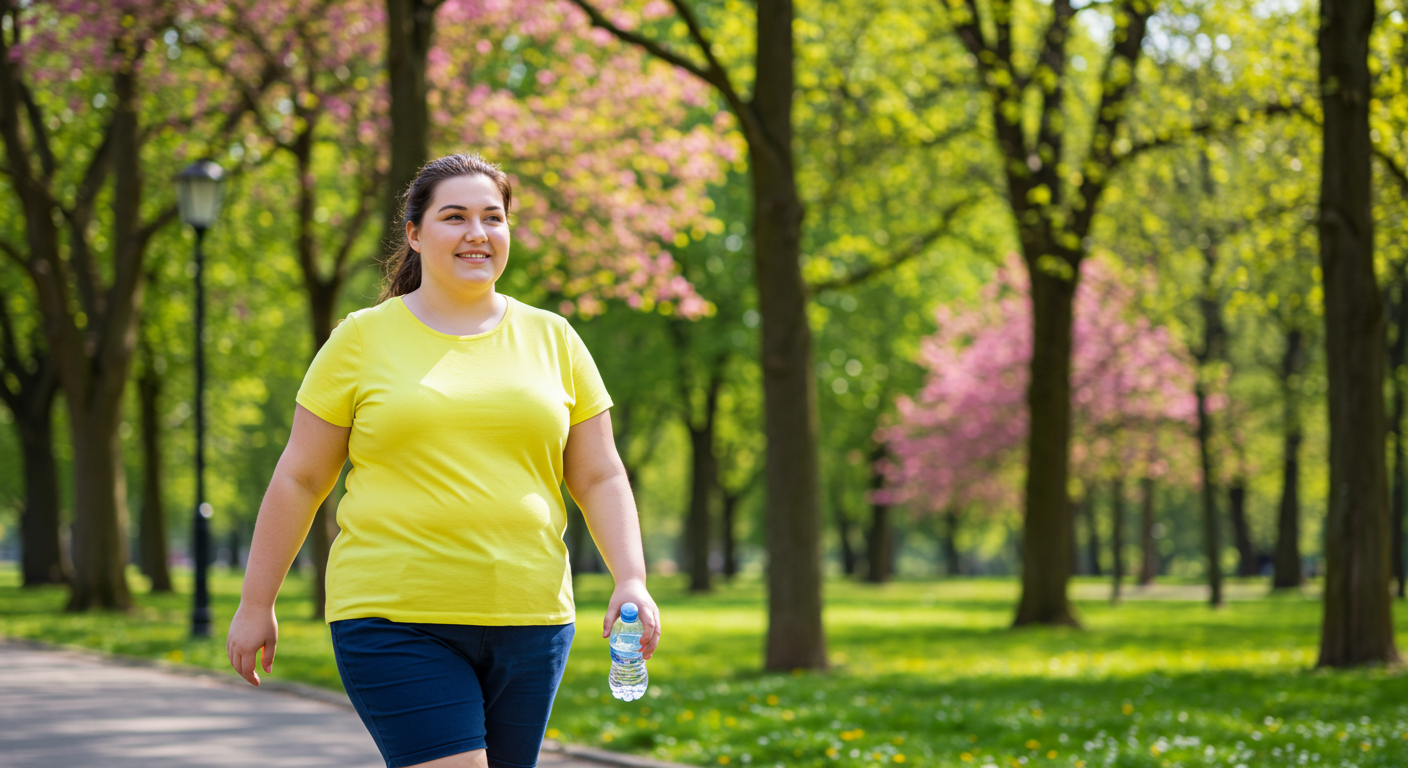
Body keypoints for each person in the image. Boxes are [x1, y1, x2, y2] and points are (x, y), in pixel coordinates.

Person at [226, 153, 661, 768]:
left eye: (492, 217)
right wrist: (255, 601)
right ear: (414, 232)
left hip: (531, 617)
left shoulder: (554, 338)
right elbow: (301, 476)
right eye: (454, 217)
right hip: (395, 617)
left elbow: (598, 473)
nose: (476, 234)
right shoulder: (361, 337)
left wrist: (631, 578)